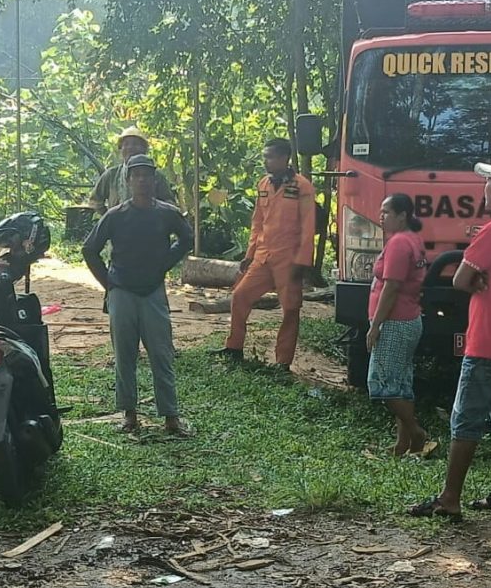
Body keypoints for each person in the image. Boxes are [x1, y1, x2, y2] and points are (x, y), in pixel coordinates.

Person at [409, 158, 491, 522]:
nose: (484, 188)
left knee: (465, 422)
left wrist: (476, 279)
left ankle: (449, 498)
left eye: (487, 182)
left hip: (488, 344)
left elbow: (459, 280)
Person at [82, 154, 194, 435]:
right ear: (129, 180)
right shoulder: (116, 215)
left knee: (161, 354)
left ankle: (171, 418)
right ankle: (130, 416)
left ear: (154, 180)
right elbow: (89, 249)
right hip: (122, 291)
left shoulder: (167, 212)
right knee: (125, 355)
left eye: (147, 175)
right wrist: (108, 283)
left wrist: (164, 264)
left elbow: (187, 239)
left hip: (153, 290)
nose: (142, 180)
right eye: (137, 175)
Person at [215, 138, 316, 370]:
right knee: (240, 296)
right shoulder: (263, 184)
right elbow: (257, 222)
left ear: (284, 158)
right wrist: (249, 254)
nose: (265, 161)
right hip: (263, 256)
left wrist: (302, 262)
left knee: (290, 309)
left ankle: (283, 362)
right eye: (265, 157)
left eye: (269, 157)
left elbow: (308, 227)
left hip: (289, 260)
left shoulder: (303, 187)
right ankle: (234, 347)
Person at [366, 194, 429, 456]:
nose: (381, 217)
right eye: (381, 212)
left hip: (395, 321)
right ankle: (402, 443)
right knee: (402, 383)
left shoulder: (400, 243)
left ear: (402, 215)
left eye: (387, 212)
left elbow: (391, 287)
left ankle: (416, 433)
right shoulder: (411, 239)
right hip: (409, 319)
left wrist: (375, 325)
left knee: (384, 385)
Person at [89, 127, 176, 212]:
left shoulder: (156, 175)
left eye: (135, 144)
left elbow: (169, 203)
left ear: (144, 149)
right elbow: (95, 200)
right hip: (119, 224)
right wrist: (108, 217)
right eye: (126, 144)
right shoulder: (111, 175)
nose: (130, 147)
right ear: (121, 148)